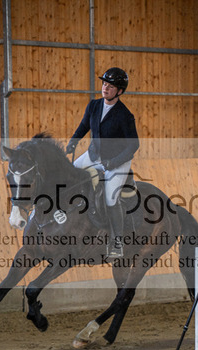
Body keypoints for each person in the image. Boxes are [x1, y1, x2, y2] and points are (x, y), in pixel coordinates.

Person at [66, 67, 139, 257]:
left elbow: (134, 145)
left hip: (117, 162)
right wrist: (73, 141)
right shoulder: (94, 105)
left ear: (120, 91)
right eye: (104, 84)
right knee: (69, 176)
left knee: (110, 198)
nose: (105, 88)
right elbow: (84, 125)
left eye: (110, 86)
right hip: (94, 155)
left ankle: (117, 242)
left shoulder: (125, 115)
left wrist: (113, 162)